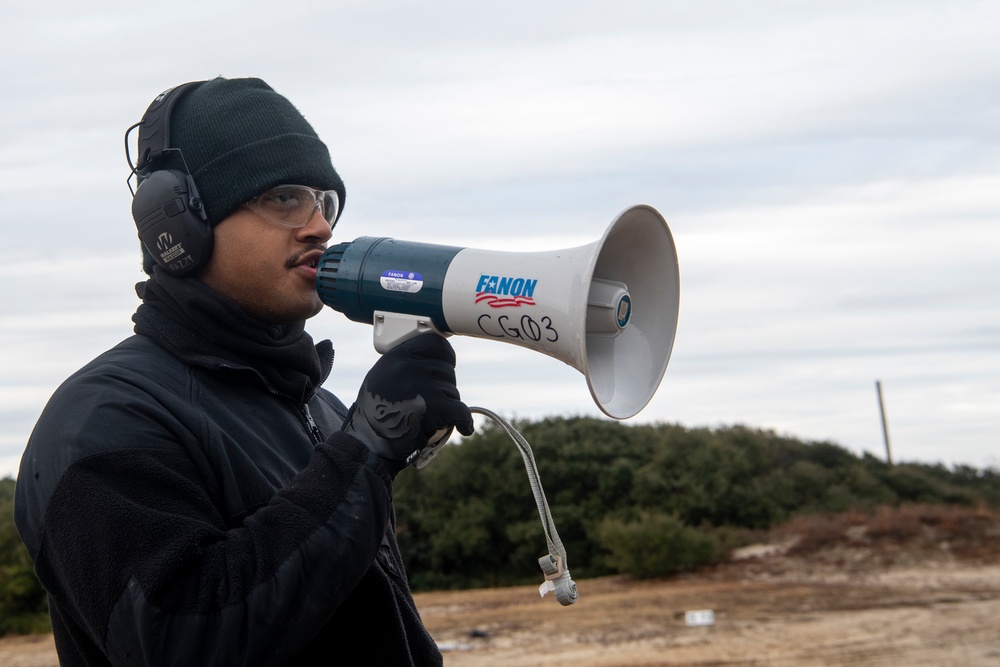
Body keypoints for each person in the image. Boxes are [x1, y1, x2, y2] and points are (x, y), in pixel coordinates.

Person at [13, 77, 474, 666]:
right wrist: (367, 451)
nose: (320, 227)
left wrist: (364, 447)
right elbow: (180, 640)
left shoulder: (320, 408)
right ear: (178, 223)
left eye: (325, 201)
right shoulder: (101, 418)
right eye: (284, 197)